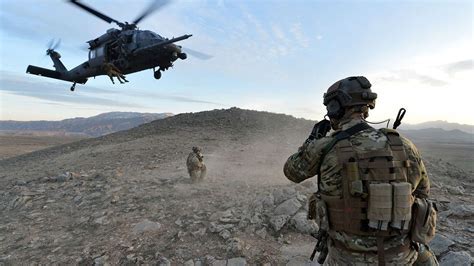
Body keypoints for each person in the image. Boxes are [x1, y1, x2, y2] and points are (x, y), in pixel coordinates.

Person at [284, 76, 438, 265]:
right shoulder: (404, 145)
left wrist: (312, 140)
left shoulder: (324, 147)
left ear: (335, 107)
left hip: (345, 258)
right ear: (366, 107)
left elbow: (292, 172)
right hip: (402, 256)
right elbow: (423, 192)